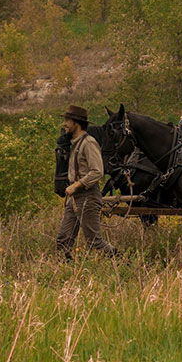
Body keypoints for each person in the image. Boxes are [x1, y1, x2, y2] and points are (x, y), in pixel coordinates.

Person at [56, 105, 117, 261]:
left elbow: (97, 171)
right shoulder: (74, 143)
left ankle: (123, 263)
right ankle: (65, 272)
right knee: (63, 239)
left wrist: (76, 185)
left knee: (94, 242)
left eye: (67, 121)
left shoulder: (88, 143)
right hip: (75, 198)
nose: (65, 124)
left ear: (76, 123)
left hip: (88, 197)